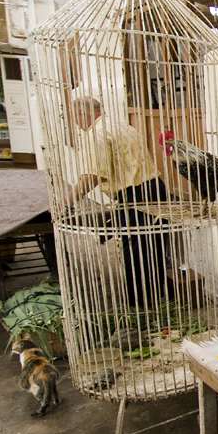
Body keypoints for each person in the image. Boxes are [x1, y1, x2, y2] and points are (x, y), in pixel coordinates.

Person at [65, 97, 170, 307]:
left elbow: (93, 175)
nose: (75, 123)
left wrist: (67, 201)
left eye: (73, 117)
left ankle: (137, 303)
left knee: (135, 247)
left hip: (135, 194)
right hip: (156, 188)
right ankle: (158, 296)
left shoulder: (98, 134)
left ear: (81, 114)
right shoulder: (122, 125)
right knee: (155, 243)